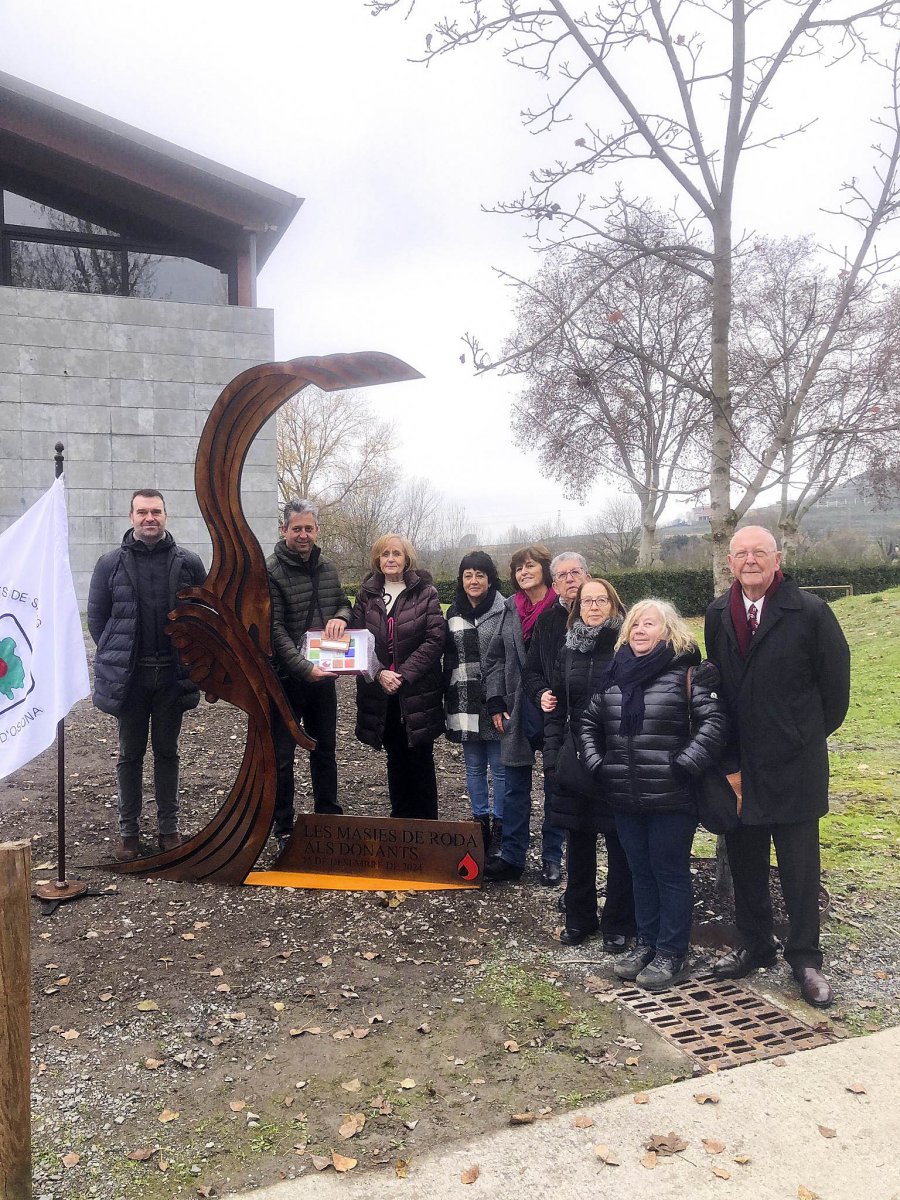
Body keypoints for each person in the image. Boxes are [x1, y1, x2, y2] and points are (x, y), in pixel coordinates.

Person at [705, 526, 851, 1009]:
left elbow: (835, 695)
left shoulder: (809, 611)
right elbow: (719, 690)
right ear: (730, 561)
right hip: (739, 765)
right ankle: (755, 944)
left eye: (759, 552)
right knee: (745, 860)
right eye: (741, 553)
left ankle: (806, 959)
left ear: (777, 558)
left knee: (799, 867)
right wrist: (728, 758)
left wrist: (797, 737)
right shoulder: (717, 615)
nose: (750, 560)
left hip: (794, 765)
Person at [580, 599, 727, 991]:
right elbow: (589, 724)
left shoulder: (686, 675)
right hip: (624, 796)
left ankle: (672, 952)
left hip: (671, 799)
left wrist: (683, 765)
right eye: (634, 625)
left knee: (669, 873)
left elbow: (713, 725)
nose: (640, 631)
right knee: (639, 872)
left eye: (649, 624)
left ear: (668, 631)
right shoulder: (614, 676)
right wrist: (598, 764)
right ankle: (646, 944)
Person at [87, 489, 206, 860]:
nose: (149, 518)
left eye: (155, 511)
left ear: (166, 515)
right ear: (131, 516)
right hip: (131, 679)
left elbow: (202, 615)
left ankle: (169, 829)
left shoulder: (189, 563)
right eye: (142, 512)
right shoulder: (110, 564)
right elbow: (97, 619)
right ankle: (129, 833)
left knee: (168, 753)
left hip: (172, 676)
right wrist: (119, 654)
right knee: (130, 754)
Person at [543, 579, 636, 950]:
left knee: (618, 844)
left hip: (615, 757)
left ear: (614, 605)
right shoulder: (567, 651)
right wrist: (553, 759)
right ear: (577, 607)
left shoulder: (627, 649)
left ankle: (618, 922)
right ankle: (579, 918)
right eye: (587, 601)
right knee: (578, 840)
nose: (594, 607)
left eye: (601, 600)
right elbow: (554, 706)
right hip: (575, 758)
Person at [267, 499, 352, 849]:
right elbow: (274, 631)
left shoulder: (328, 568)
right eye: (296, 528)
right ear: (284, 530)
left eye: (309, 529)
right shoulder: (270, 571)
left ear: (317, 531)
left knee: (325, 747)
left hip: (325, 677)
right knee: (282, 754)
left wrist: (342, 617)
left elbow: (345, 603)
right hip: (286, 679)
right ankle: (283, 824)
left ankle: (327, 815)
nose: (303, 535)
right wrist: (303, 668)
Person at [483, 543, 566, 883]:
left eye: (530, 566)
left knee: (555, 787)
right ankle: (513, 857)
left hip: (555, 707)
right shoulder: (508, 609)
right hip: (517, 708)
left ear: (545, 570)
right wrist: (496, 701)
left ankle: (552, 858)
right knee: (514, 787)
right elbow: (494, 659)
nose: (524, 572)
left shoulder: (563, 609)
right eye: (518, 568)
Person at [352, 534, 445, 819]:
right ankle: (401, 825)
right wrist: (379, 674)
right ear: (377, 560)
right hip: (381, 693)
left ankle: (427, 826)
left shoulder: (425, 592)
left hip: (416, 691)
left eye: (396, 554)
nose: (390, 559)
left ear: (407, 559)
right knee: (395, 759)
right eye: (385, 554)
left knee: (420, 759)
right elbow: (357, 640)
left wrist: (401, 676)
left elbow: (434, 639)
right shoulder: (366, 595)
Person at [521, 550, 591, 887]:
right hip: (558, 722)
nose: (570, 580)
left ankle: (590, 873)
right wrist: (540, 694)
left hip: (597, 721)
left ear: (587, 576)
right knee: (556, 790)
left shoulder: (607, 614)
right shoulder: (548, 621)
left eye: (575, 572)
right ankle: (552, 858)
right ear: (555, 583)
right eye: (562, 575)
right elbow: (531, 669)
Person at [444, 551, 506, 853]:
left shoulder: (505, 608)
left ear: (490, 578)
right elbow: (447, 657)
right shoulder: (453, 613)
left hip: (496, 698)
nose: (474, 580)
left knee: (501, 766)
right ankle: (479, 821)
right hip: (464, 697)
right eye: (468, 574)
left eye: (479, 574)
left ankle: (502, 823)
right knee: (473, 766)